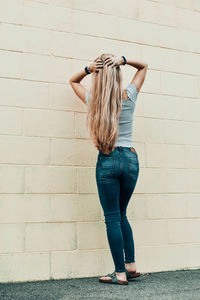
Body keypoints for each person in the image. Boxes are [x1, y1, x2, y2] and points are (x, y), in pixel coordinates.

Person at [69, 54, 148, 285]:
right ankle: (130, 265)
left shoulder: (94, 99)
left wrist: (88, 68)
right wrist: (123, 60)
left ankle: (120, 273)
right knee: (121, 213)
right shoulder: (129, 96)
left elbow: (73, 81)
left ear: (98, 75)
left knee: (112, 216)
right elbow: (144, 66)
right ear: (117, 74)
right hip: (131, 159)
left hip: (108, 159)